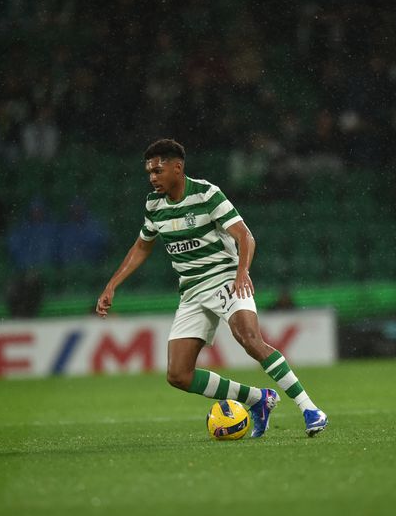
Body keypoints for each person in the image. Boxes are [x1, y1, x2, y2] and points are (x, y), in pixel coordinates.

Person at [96, 139, 327, 437]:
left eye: (158, 170)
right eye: (149, 172)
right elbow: (141, 247)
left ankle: (310, 408)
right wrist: (112, 285)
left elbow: (245, 236)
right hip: (191, 292)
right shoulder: (154, 206)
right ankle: (258, 399)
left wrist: (242, 272)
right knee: (178, 375)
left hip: (225, 279)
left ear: (177, 168)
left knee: (250, 339)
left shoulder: (207, 194)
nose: (152, 177)